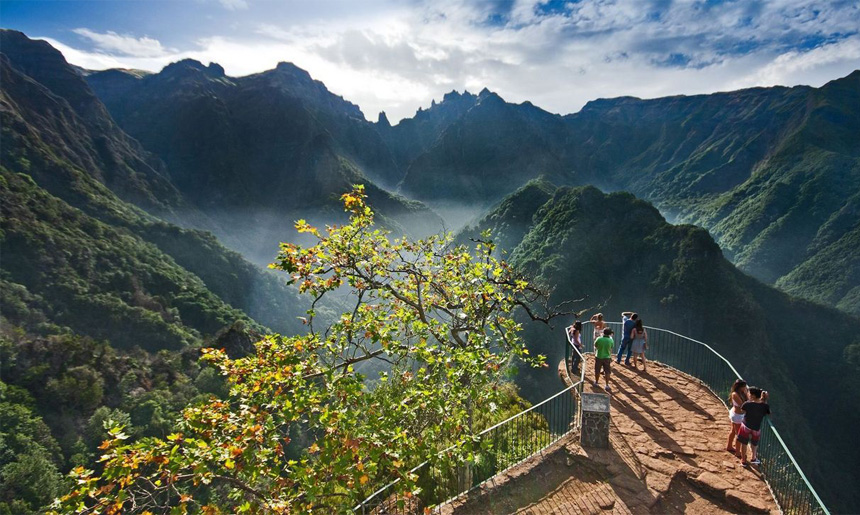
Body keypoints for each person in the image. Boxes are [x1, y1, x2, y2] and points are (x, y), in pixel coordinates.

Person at [737, 387, 771, 466]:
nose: (747, 394)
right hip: (756, 427)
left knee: (744, 443)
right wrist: (765, 401)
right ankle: (753, 458)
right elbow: (769, 413)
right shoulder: (765, 406)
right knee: (754, 444)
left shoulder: (747, 404)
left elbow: (742, 410)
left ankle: (743, 460)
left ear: (752, 396)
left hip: (746, 426)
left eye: (748, 393)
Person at [726, 379, 748, 455]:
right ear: (740, 387)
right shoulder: (735, 394)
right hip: (737, 416)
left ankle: (729, 446)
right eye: (744, 387)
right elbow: (743, 405)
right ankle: (738, 452)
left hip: (738, 415)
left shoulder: (741, 393)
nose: (745, 388)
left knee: (733, 431)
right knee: (739, 435)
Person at [594, 327, 614, 392]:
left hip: (599, 356)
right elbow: (611, 348)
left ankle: (596, 382)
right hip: (607, 357)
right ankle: (607, 385)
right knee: (607, 371)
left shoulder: (599, 339)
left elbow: (595, 345)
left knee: (597, 370)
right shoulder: (611, 340)